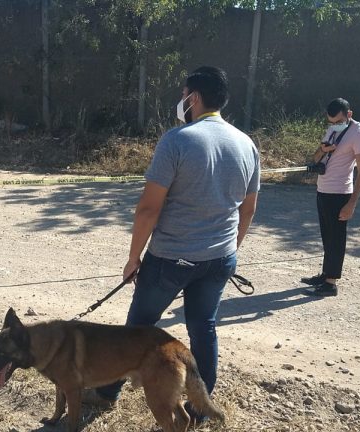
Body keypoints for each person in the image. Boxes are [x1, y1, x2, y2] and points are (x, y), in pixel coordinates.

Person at [85, 66, 260, 424]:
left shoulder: (177, 140)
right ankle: (200, 408)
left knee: (137, 328)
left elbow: (149, 208)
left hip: (169, 259)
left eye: (184, 94)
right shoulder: (247, 144)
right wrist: (230, 250)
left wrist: (134, 257)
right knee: (203, 327)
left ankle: (105, 393)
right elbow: (248, 208)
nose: (181, 101)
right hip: (219, 258)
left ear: (193, 98)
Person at [301, 98, 360, 296]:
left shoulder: (359, 133)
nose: (334, 126)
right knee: (327, 236)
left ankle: (331, 283)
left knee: (336, 238)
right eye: (330, 122)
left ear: (349, 115)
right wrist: (323, 149)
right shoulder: (333, 129)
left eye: (338, 121)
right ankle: (325, 274)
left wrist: (352, 203)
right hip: (323, 189)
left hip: (340, 193)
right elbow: (315, 158)